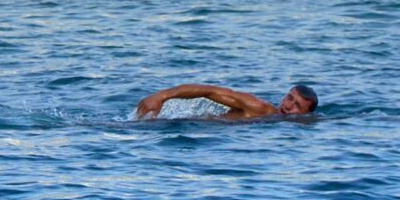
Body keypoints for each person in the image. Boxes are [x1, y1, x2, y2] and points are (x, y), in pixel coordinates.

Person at [135, 83, 318, 120]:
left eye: (297, 106)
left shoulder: (274, 119)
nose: (288, 106)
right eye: (289, 98)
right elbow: (210, 91)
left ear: (305, 116)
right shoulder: (261, 108)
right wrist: (162, 95)